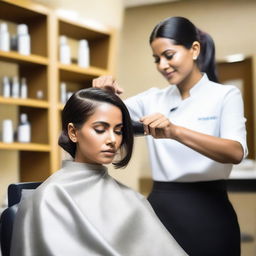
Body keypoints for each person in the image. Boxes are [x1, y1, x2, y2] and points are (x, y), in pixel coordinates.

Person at [93, 16, 247, 256]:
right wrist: (102, 97)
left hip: (211, 213)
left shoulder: (225, 95)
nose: (162, 65)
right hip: (161, 211)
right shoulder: (152, 99)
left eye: (169, 55)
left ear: (194, 49)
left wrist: (174, 131)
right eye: (156, 59)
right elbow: (100, 121)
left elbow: (235, 152)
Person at [10, 88, 186, 256]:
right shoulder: (47, 199)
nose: (113, 140)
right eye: (100, 129)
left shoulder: (132, 198)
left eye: (118, 131)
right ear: (73, 132)